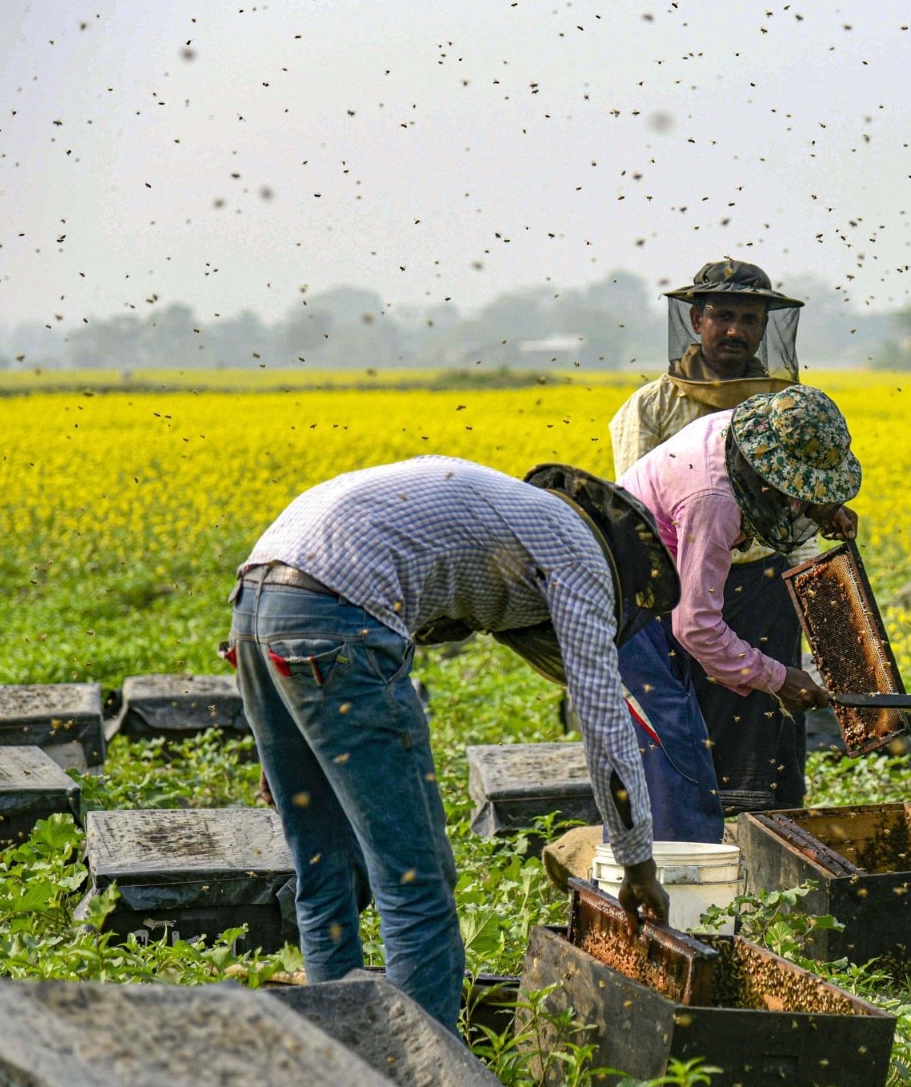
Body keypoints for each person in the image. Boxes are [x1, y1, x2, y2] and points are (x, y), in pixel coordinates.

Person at [229, 457, 677, 1028]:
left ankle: (336, 1055)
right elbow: (604, 721)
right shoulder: (581, 557)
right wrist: (637, 862)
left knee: (324, 872)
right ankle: (429, 1071)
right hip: (339, 615)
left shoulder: (505, 513)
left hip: (255, 605)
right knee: (414, 883)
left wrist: (290, 747)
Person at [616, 385, 862, 842]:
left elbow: (779, 481)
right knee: (674, 748)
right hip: (623, 597)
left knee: (675, 741)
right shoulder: (714, 501)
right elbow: (695, 627)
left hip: (658, 581)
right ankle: (676, 871)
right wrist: (778, 679)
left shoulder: (747, 433)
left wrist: (821, 503)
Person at [610, 258, 812, 811]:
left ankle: (768, 831)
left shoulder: (785, 407)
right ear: (696, 319)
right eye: (723, 316)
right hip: (678, 592)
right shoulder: (650, 407)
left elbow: (804, 497)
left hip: (767, 590)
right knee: (689, 728)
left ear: (765, 327)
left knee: (771, 732)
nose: (735, 331)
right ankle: (704, 835)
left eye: (749, 319)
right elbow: (636, 522)